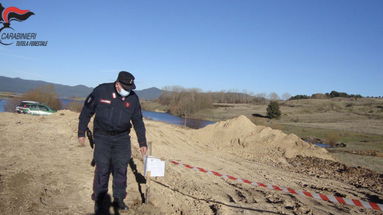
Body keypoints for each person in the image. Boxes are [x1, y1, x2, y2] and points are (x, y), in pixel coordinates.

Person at [78, 71, 147, 213]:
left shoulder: (133, 98)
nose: (128, 91)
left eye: (130, 89)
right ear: (117, 84)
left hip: (122, 139)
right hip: (102, 136)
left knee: (121, 169)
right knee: (102, 168)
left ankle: (119, 199)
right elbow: (86, 111)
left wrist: (142, 142)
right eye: (126, 88)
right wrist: (81, 132)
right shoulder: (101, 91)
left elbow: (138, 121)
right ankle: (99, 198)